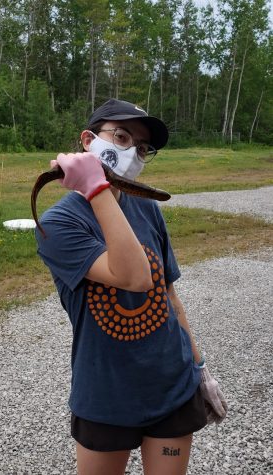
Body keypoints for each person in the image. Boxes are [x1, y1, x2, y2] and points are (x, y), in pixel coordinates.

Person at [35, 98, 227, 475]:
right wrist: (95, 188)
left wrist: (199, 366)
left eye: (141, 148)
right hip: (107, 395)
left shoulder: (147, 207)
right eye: (120, 136)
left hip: (172, 384)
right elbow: (136, 277)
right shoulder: (57, 225)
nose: (131, 152)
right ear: (88, 140)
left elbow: (167, 293)